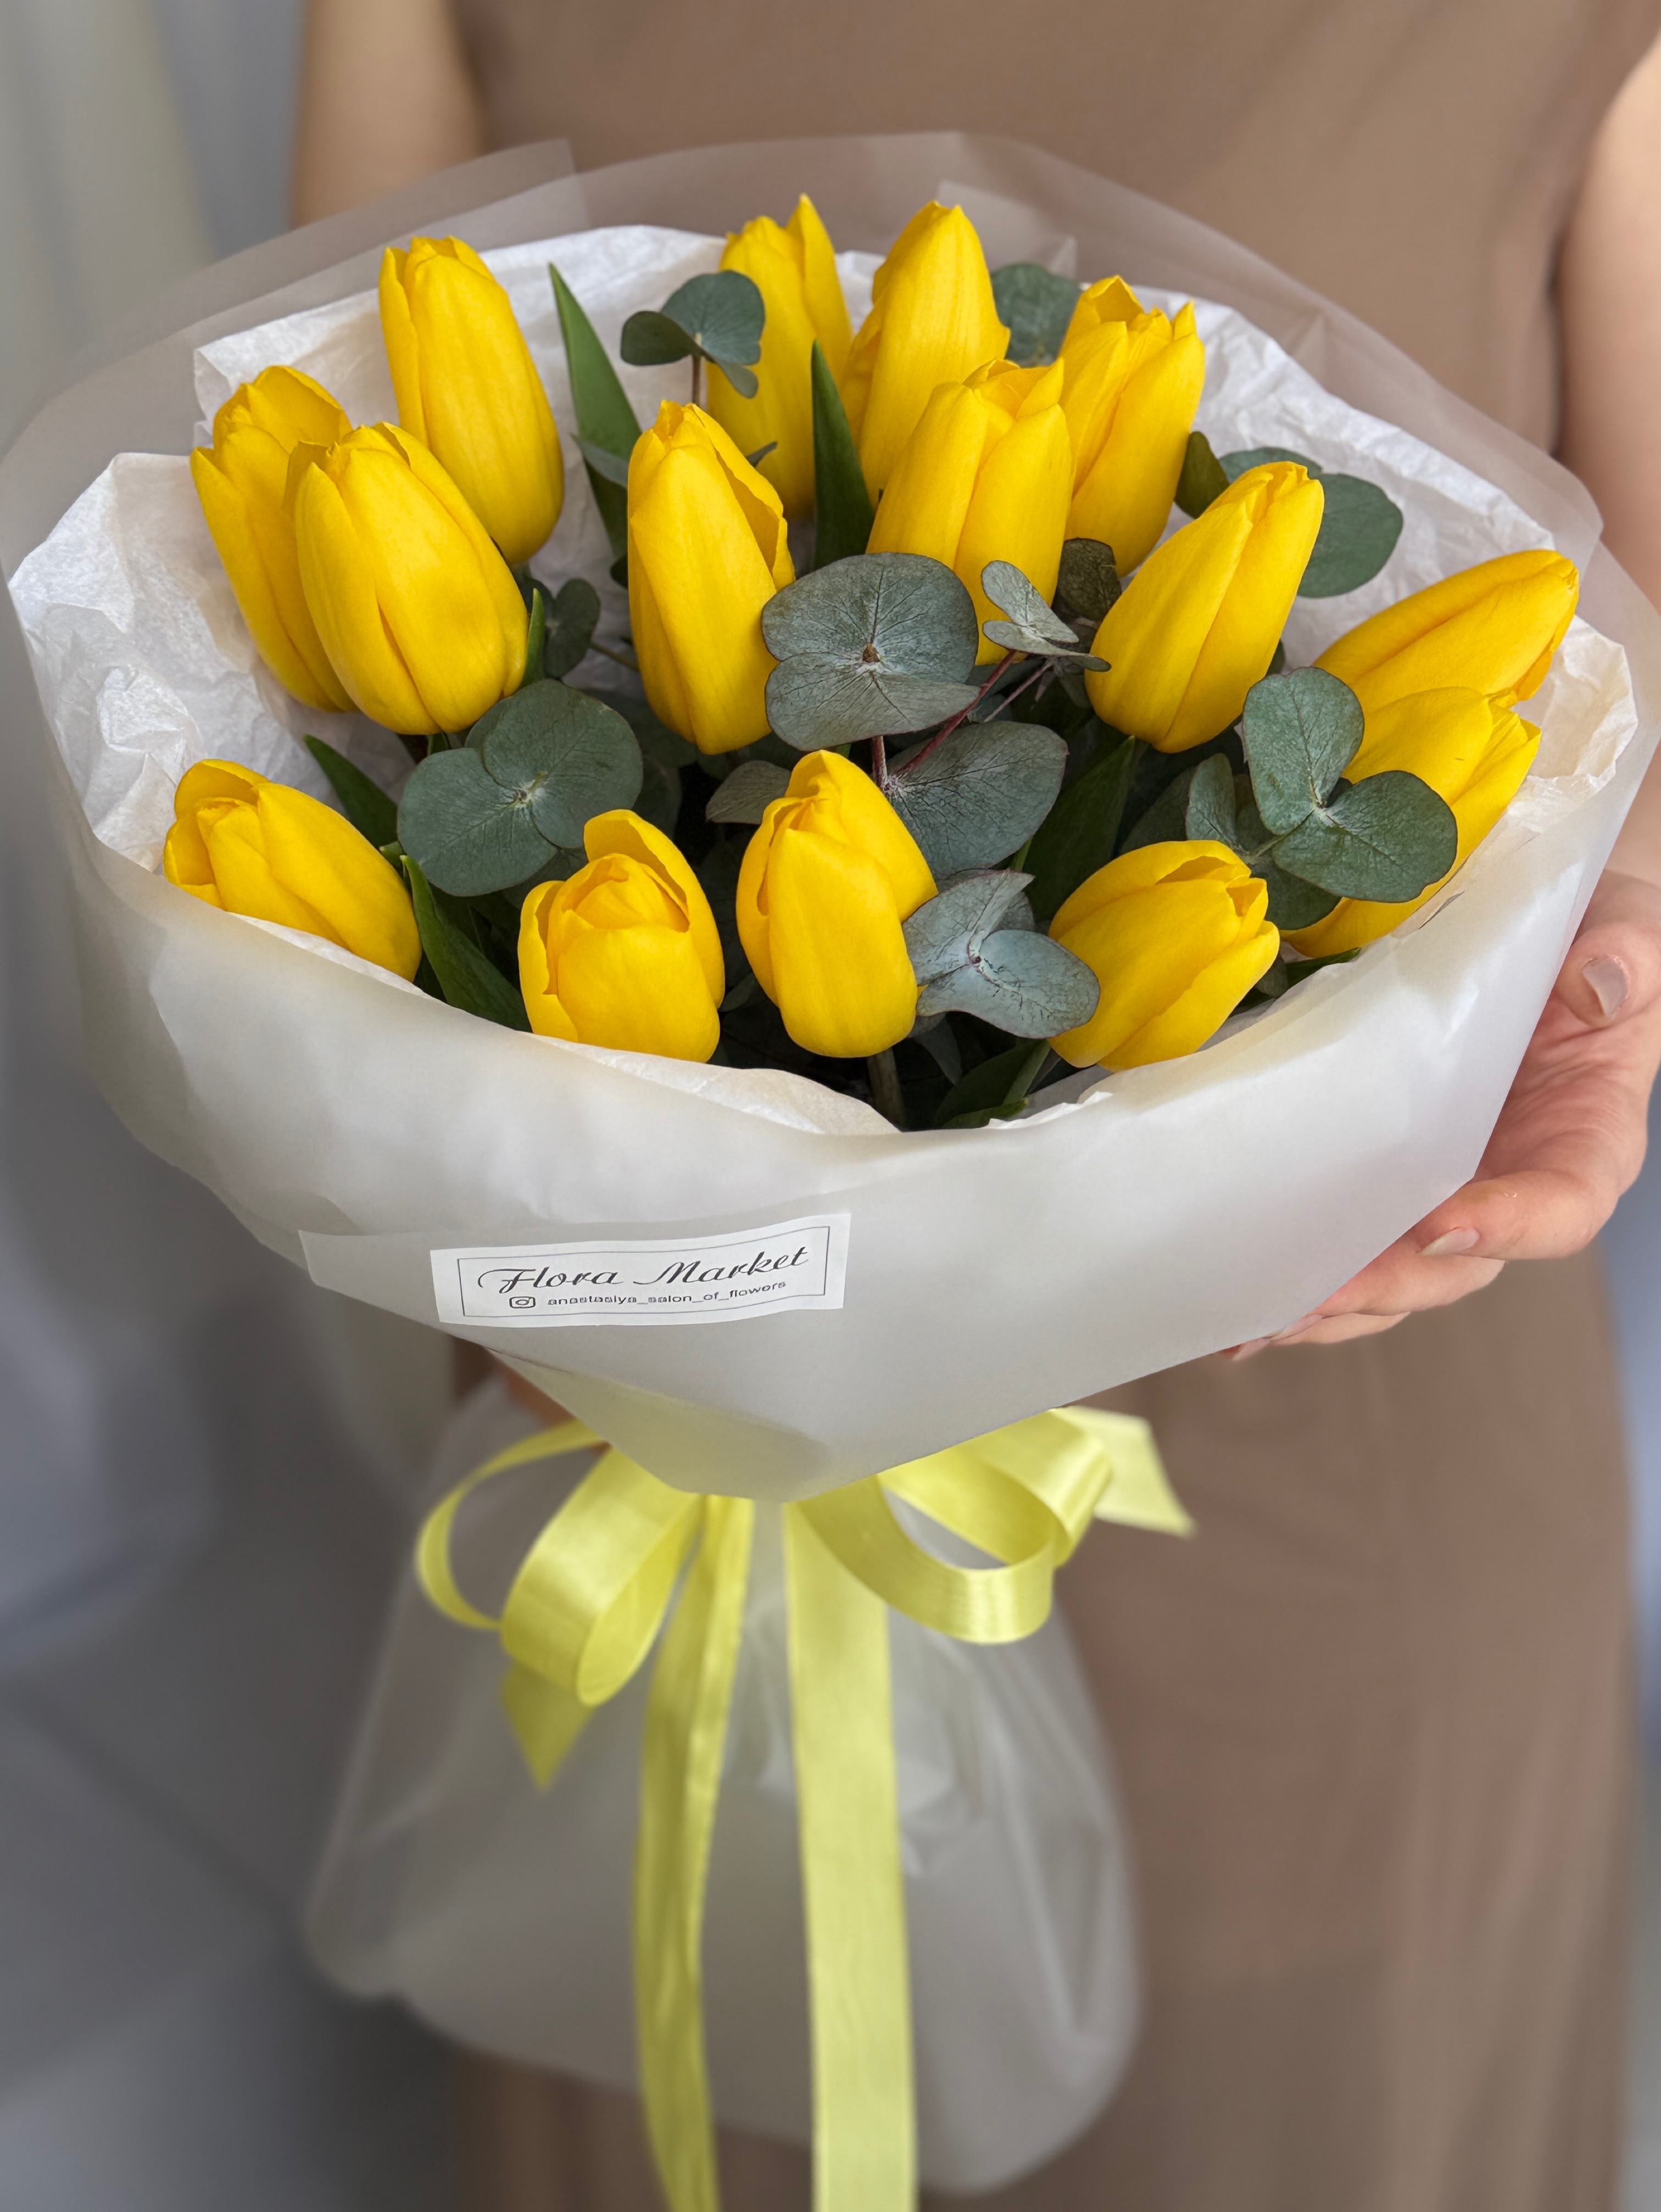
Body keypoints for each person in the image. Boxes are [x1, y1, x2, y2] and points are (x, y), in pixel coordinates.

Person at [292, 5, 1661, 2207]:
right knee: (704, 2065)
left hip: (1325, 1403)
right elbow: (323, 609)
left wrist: (1622, 936)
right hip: (646, 1384)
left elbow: (1635, 660)